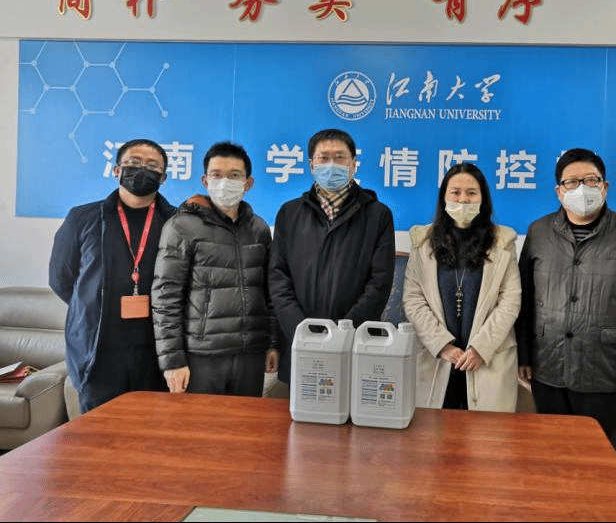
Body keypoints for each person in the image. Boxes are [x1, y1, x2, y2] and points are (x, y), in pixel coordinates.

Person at [515, 148, 616, 453]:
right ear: (559, 191)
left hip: (605, 372)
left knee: (599, 459)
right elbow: (525, 300)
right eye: (571, 182)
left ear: (605, 186)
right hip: (548, 368)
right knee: (551, 452)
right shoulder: (539, 233)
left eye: (591, 180)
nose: (581, 188)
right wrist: (524, 355)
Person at [49, 138, 176, 413]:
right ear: (117, 170)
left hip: (155, 354)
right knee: (98, 433)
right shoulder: (82, 218)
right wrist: (91, 305)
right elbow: (60, 278)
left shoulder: (176, 222)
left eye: (152, 166)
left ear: (163, 177)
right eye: (134, 163)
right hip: (99, 354)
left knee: (152, 430)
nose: (142, 170)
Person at [269, 128, 395, 386]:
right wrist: (301, 331)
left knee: (352, 406)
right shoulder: (289, 214)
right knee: (301, 408)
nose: (331, 165)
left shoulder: (378, 215)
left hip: (354, 342)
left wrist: (342, 333)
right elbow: (278, 278)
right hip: (299, 343)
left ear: (353, 164)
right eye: (324, 158)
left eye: (340, 158)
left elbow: (380, 283)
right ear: (311, 165)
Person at [151, 141, 279, 396]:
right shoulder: (181, 227)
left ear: (248, 183)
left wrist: (273, 342)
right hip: (201, 355)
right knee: (201, 423)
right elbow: (166, 296)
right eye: (217, 175)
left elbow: (270, 292)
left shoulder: (259, 229)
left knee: (246, 421)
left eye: (234, 175)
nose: (225, 182)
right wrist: (173, 360)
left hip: (250, 354)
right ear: (205, 181)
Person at [403, 163, 521, 411]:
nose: (463, 199)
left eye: (471, 193)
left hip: (487, 360)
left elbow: (510, 300)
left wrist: (481, 348)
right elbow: (413, 299)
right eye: (455, 192)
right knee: (432, 432)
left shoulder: (502, 241)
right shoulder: (423, 241)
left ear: (483, 198)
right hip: (436, 359)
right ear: (444, 197)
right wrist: (442, 345)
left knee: (486, 435)